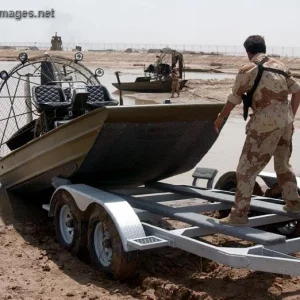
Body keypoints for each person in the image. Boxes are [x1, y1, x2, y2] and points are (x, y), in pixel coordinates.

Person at [214, 35, 300, 226]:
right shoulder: (281, 66)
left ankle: (239, 215)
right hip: (285, 123)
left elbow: (234, 97)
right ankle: (294, 203)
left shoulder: (249, 69)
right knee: (283, 165)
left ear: (248, 52)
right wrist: (291, 116)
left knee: (245, 170)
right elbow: (297, 91)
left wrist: (221, 116)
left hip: (264, 125)